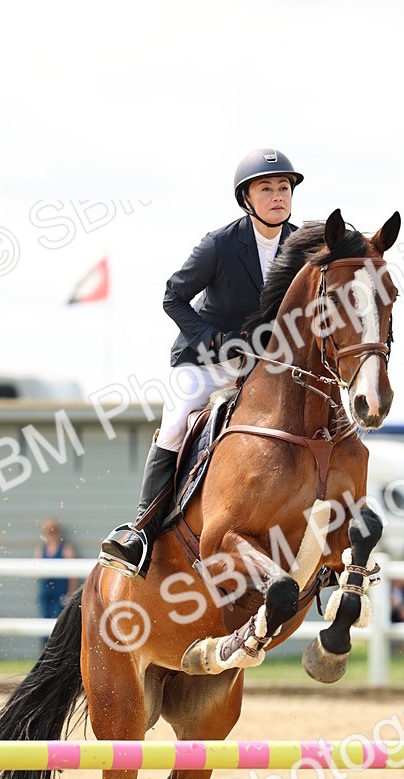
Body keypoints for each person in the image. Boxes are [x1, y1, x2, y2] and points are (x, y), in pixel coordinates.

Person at [100, 147, 304, 578]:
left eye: (283, 188)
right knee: (176, 425)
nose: (277, 196)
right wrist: (215, 339)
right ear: (247, 198)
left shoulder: (301, 246)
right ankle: (140, 530)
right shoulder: (220, 244)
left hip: (262, 366)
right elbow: (173, 296)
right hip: (205, 361)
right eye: (266, 188)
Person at [36, 519, 77, 638]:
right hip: (46, 592)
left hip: (61, 592)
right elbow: (36, 571)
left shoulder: (66, 548)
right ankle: (44, 647)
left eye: (52, 530)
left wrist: (71, 593)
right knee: (44, 622)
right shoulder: (41, 549)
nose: (50, 533)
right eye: (48, 530)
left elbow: (73, 574)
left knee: (58, 623)